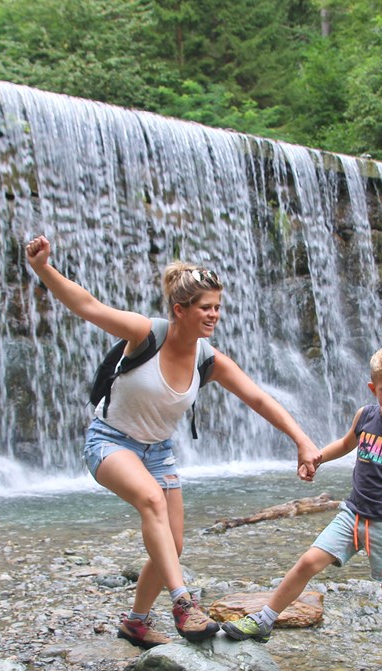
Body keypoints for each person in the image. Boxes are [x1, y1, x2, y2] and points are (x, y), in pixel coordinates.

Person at [24, 235, 322, 648]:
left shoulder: (208, 359)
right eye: (206, 307)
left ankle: (136, 622)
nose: (214, 315)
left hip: (158, 451)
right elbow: (87, 305)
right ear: (180, 310)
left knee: (173, 545)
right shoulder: (146, 334)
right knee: (151, 501)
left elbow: (258, 397)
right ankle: (184, 603)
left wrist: (302, 441)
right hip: (109, 442)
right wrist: (43, 269)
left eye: (218, 307)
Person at [221, 345, 382, 671]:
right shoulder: (365, 415)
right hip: (352, 515)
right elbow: (347, 444)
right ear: (373, 389)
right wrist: (316, 458)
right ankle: (264, 619)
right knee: (307, 562)